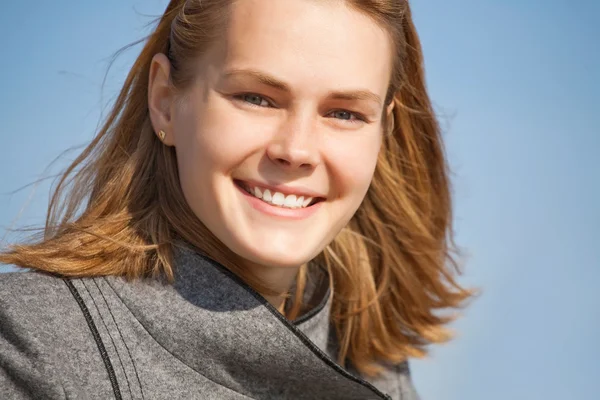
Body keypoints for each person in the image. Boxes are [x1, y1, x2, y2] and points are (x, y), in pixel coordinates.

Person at [0, 0, 472, 398]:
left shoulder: (373, 365)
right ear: (165, 99)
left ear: (383, 133)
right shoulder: (33, 345)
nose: (297, 150)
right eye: (257, 98)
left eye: (345, 113)